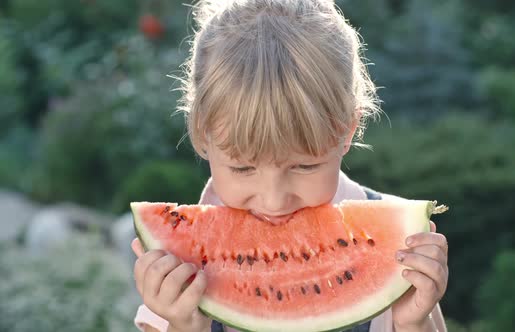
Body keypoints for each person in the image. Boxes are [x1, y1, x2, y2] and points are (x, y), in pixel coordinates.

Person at [131, 0, 449, 331]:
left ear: (347, 132)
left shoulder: (397, 251)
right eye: (243, 169)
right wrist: (184, 325)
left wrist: (414, 323)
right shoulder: (179, 267)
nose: (274, 200)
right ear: (202, 136)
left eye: (304, 167)